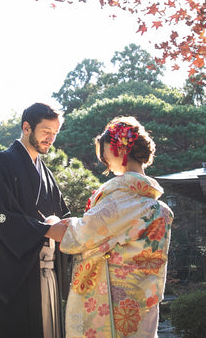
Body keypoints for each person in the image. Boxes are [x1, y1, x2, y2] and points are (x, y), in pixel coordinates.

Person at [48, 116, 173, 338]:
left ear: (119, 150)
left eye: (105, 152)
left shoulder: (123, 199)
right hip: (142, 302)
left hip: (113, 305)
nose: (103, 159)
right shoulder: (155, 206)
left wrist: (48, 225)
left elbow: (82, 234)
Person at [0, 102, 71, 338]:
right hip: (17, 275)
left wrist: (72, 226)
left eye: (55, 134)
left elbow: (64, 215)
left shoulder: (46, 173)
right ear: (26, 127)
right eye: (46, 132)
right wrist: (46, 230)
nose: (50, 139)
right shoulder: (3, 162)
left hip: (48, 272)